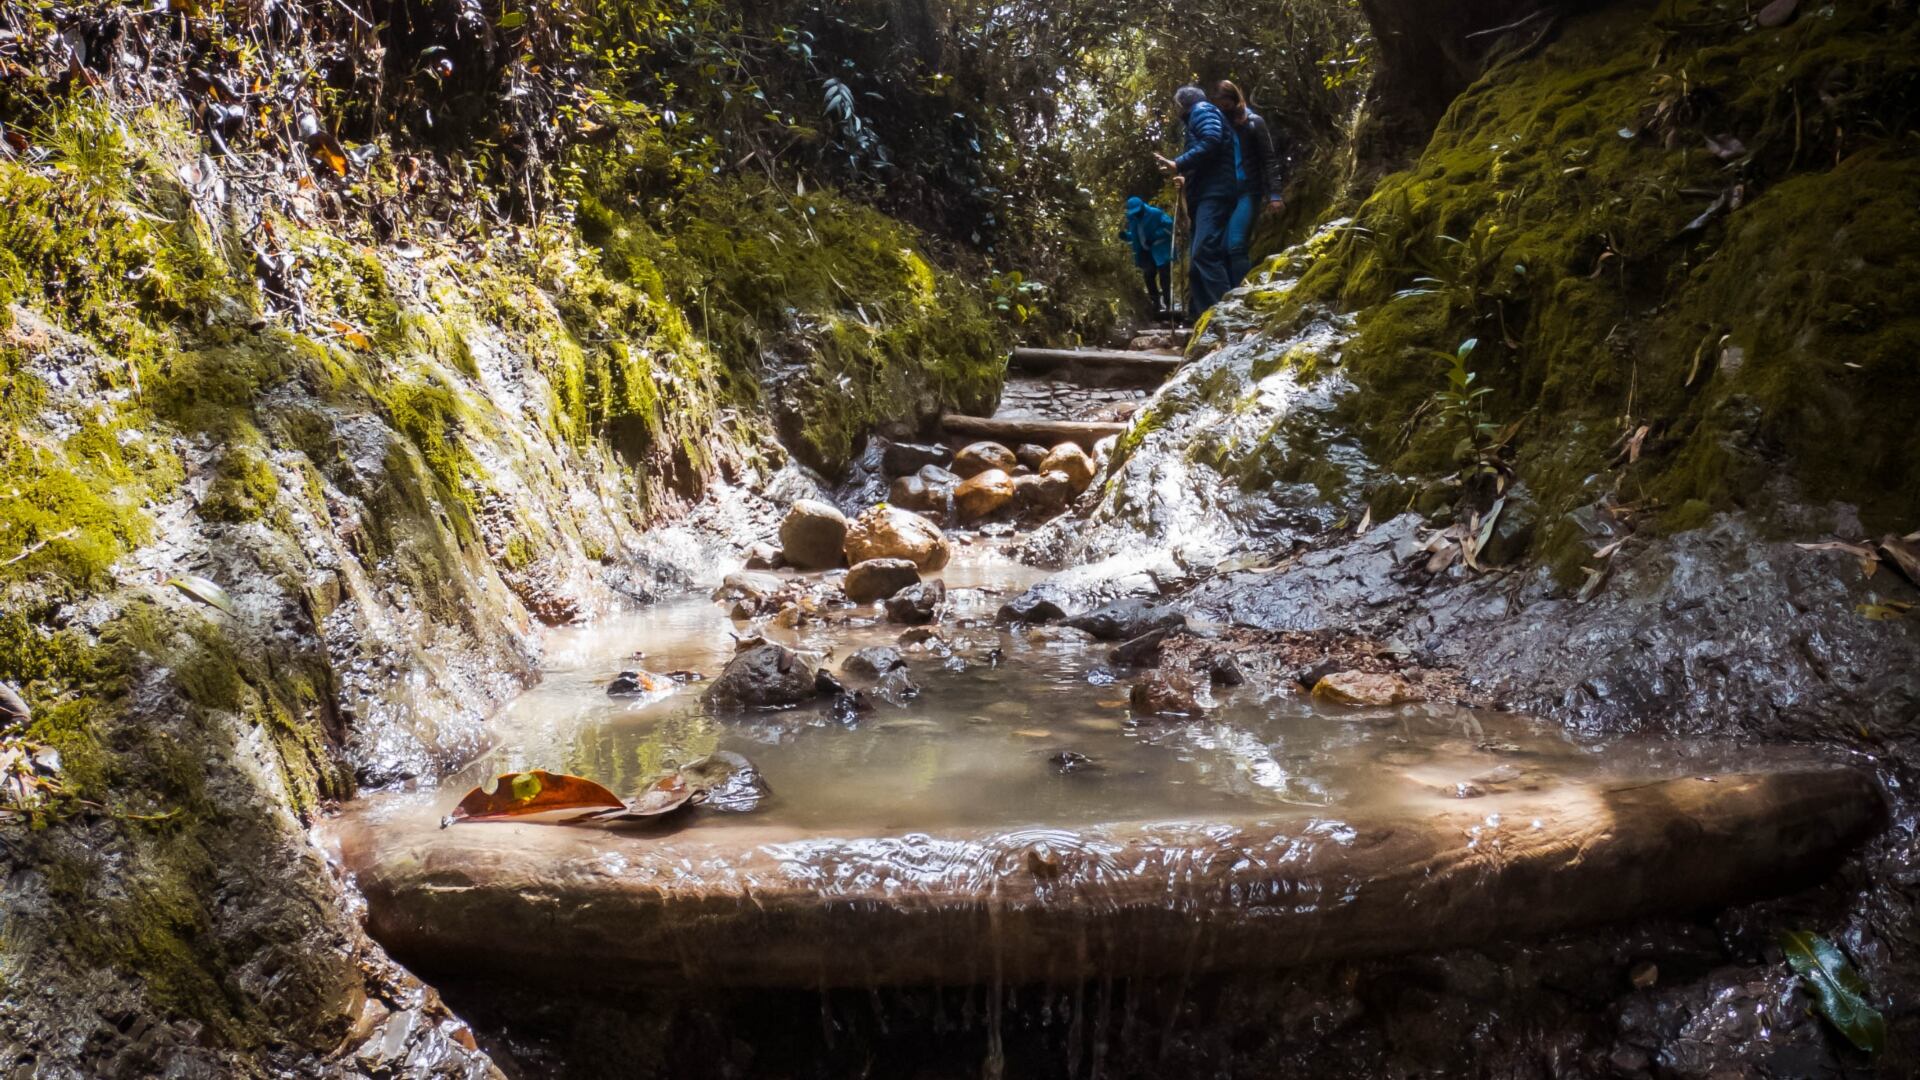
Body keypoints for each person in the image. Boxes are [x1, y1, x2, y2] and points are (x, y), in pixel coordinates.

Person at [1154, 85, 1236, 320]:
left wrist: (1179, 163)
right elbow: (1208, 152)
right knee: (1195, 262)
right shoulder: (1200, 115)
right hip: (1206, 192)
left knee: (1204, 253)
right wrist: (1185, 176)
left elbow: (1212, 140)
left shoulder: (1202, 110)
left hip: (1215, 192)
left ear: (1182, 104)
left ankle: (1227, 316)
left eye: (1176, 105)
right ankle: (1199, 317)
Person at [1212, 80, 1288, 287]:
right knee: (1222, 249)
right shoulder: (1219, 125)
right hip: (1226, 193)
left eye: (1225, 103)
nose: (1222, 108)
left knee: (1236, 245)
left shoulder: (1254, 123)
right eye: (1219, 104)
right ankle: (1230, 296)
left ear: (1234, 99)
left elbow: (1269, 159)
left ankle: (1242, 296)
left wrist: (1275, 195)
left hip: (1249, 191)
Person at [1120, 196, 1175, 316]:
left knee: (1165, 278)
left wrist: (1154, 236)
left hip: (1161, 250)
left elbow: (1169, 228)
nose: (1137, 214)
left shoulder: (1155, 213)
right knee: (1148, 275)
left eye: (1138, 211)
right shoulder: (1132, 218)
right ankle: (1155, 303)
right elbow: (1136, 235)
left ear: (1142, 207)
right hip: (1145, 251)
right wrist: (1126, 236)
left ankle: (1168, 304)